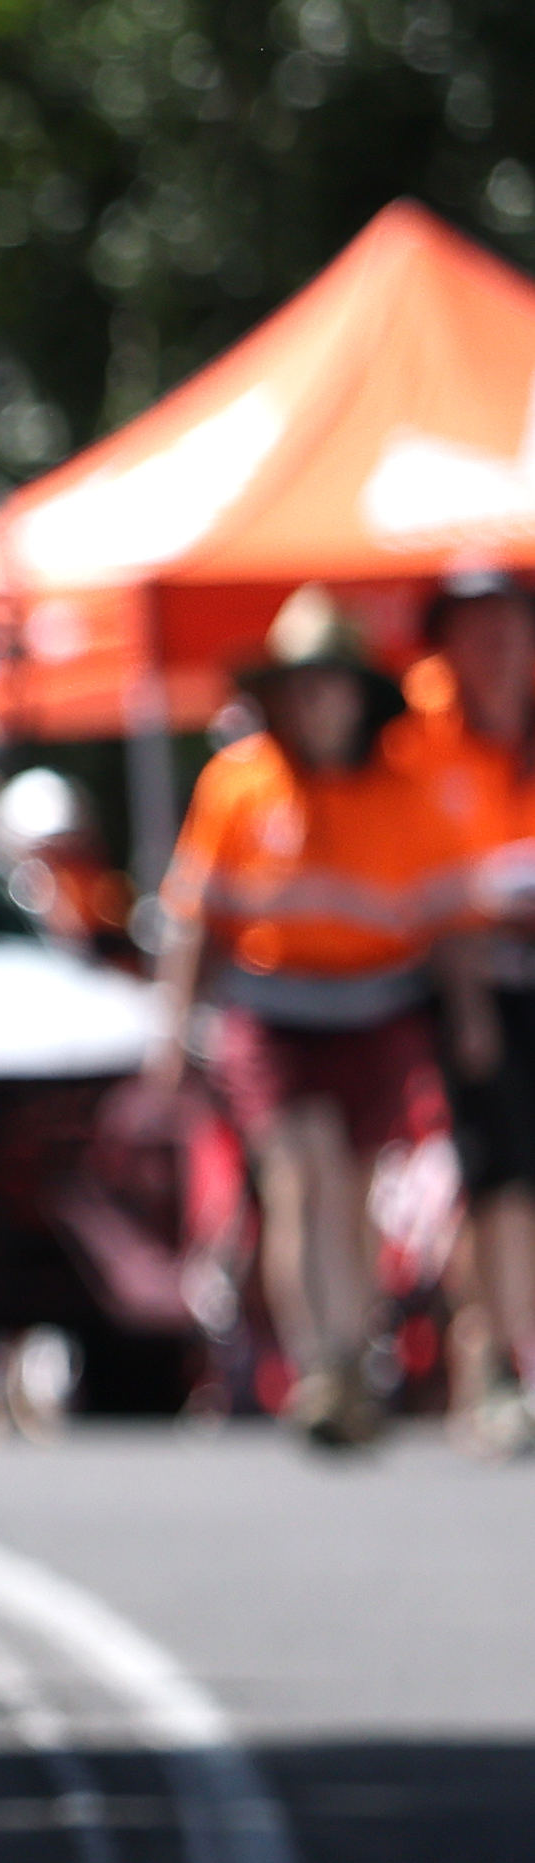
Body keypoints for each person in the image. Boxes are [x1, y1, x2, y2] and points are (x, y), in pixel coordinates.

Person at [145, 590, 454, 1451]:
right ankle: (317, 1362)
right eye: (302, 687)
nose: (317, 705)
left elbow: (439, 923)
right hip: (272, 1009)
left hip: (372, 1007)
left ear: (358, 697)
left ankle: (354, 1356)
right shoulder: (237, 784)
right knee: (298, 1169)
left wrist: (458, 1019)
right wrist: (172, 1028)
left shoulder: (398, 791)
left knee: (353, 1183)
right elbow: (196, 920)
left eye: (332, 687)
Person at [386, 563, 535, 1451]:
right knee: (499, 1178)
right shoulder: (418, 743)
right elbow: (416, 883)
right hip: (469, 978)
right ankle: (498, 1362)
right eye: (474, 631)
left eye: (509, 627)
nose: (495, 648)